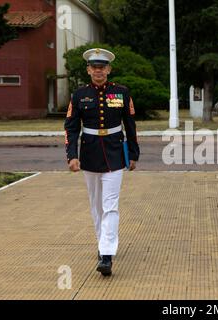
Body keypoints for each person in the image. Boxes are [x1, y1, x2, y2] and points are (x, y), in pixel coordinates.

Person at [64, 48, 140, 276]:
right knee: (96, 205)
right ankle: (102, 243)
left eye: (102, 67)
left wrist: (134, 154)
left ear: (109, 69)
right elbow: (71, 127)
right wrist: (72, 155)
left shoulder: (121, 93)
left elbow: (131, 125)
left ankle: (107, 254)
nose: (98, 71)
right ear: (88, 70)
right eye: (94, 67)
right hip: (89, 153)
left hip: (115, 153)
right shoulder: (79, 95)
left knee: (110, 205)